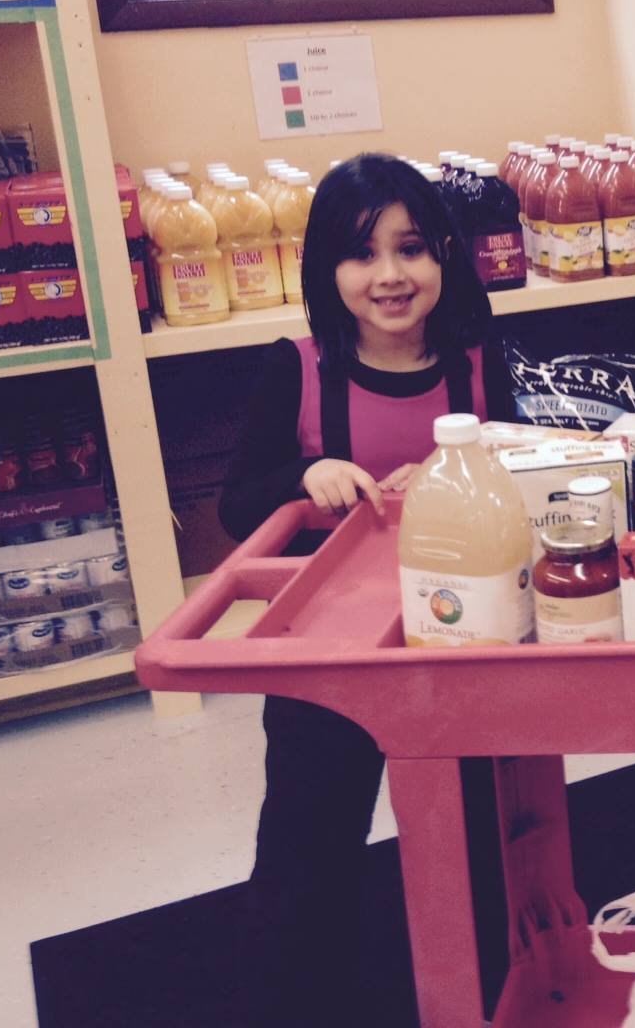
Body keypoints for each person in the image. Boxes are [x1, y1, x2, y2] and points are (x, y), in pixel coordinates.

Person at [218, 153, 514, 1022]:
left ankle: (496, 982)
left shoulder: (478, 356)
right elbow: (237, 502)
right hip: (328, 658)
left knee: (478, 835)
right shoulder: (297, 367)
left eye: (412, 248)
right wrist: (306, 474)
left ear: (444, 258)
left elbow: (524, 460)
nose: (390, 275)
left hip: (466, 646)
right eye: (361, 253)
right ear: (326, 270)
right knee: (308, 844)